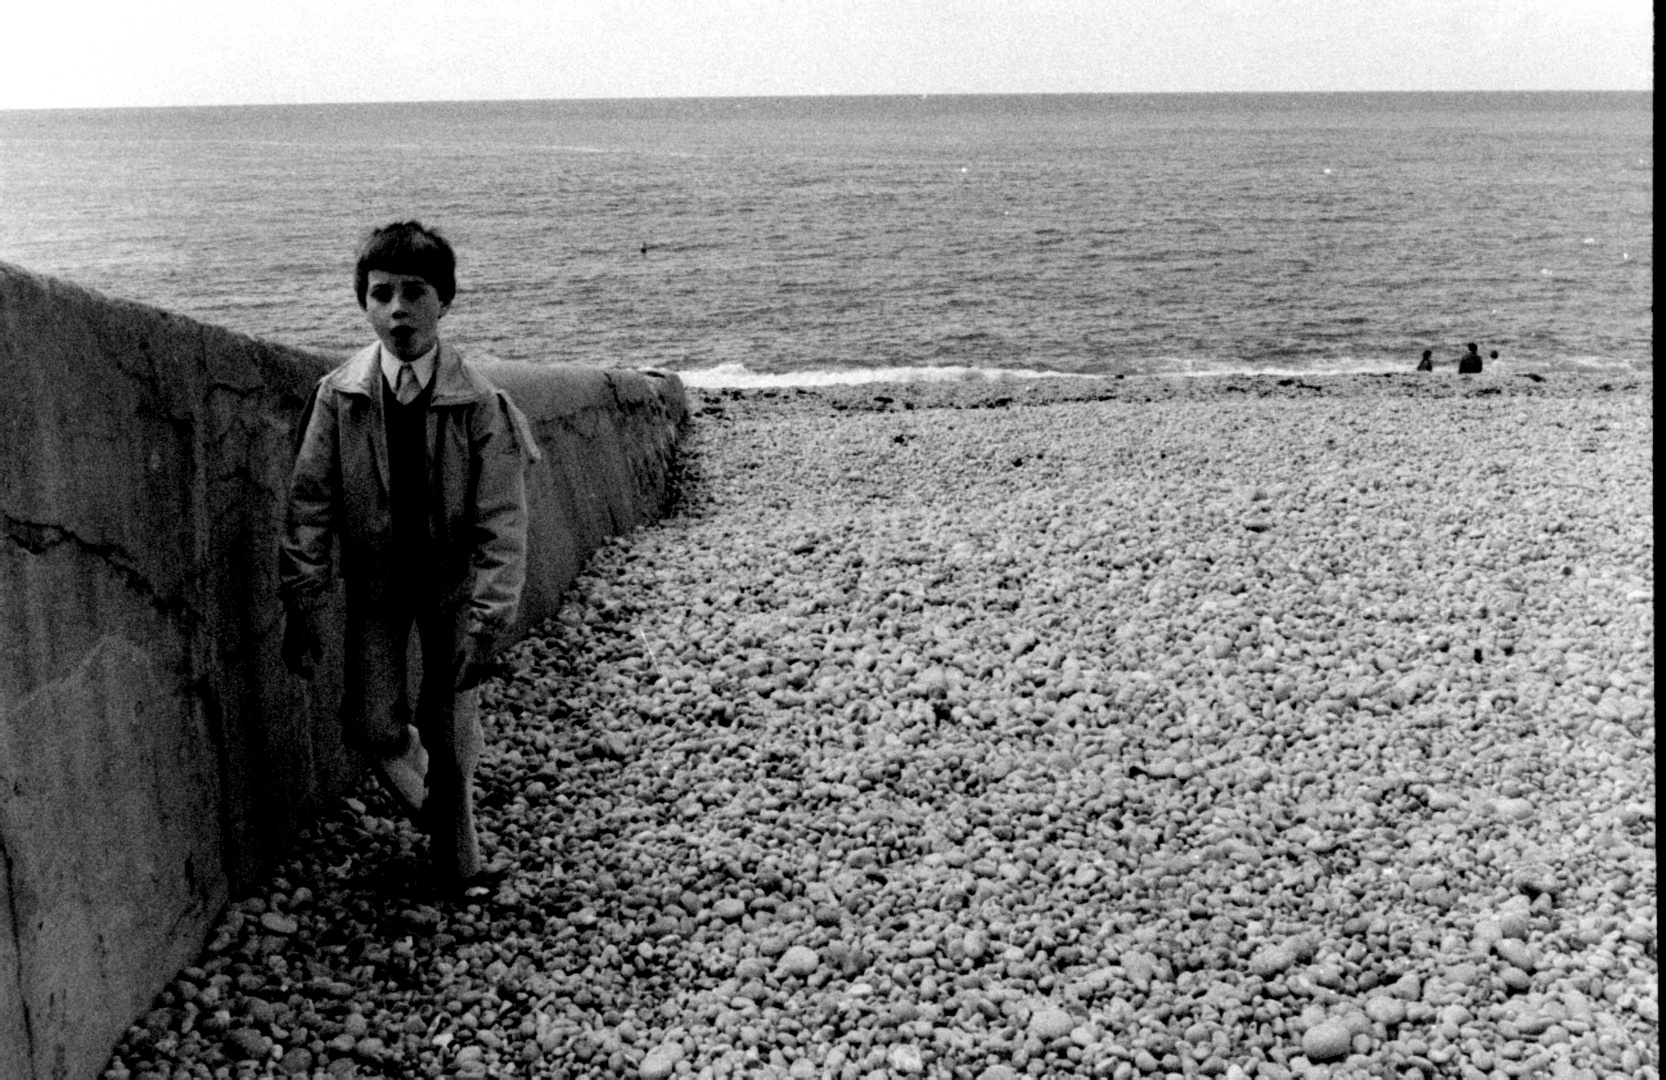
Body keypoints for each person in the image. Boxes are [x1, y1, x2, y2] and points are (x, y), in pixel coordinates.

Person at [279, 221, 540, 894]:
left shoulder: (479, 403)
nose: (398, 310)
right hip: (376, 589)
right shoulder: (341, 396)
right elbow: (309, 501)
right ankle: (435, 811)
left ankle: (459, 866)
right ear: (364, 303)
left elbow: (501, 519)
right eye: (381, 293)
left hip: (454, 591)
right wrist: (302, 601)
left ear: (444, 301)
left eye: (415, 293)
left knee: (451, 734)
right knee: (370, 724)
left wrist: (491, 617)